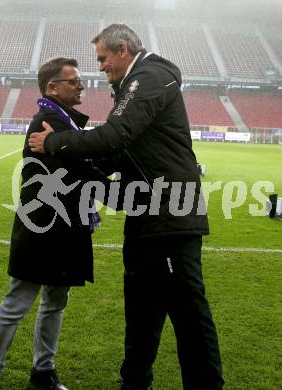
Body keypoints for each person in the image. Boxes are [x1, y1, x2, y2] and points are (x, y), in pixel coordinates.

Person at [28, 24, 224, 390]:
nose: (100, 67)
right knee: (141, 309)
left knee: (188, 314)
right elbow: (122, 152)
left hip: (172, 213)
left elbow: (115, 136)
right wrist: (88, 171)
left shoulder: (149, 77)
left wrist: (56, 142)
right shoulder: (132, 84)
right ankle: (134, 383)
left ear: (122, 50)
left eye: (102, 58)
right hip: (146, 214)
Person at [0, 57, 111, 390]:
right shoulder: (49, 121)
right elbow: (83, 168)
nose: (81, 85)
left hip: (63, 228)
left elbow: (85, 162)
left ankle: (43, 372)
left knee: (55, 301)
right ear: (53, 88)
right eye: (74, 81)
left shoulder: (64, 122)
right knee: (19, 301)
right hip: (43, 228)